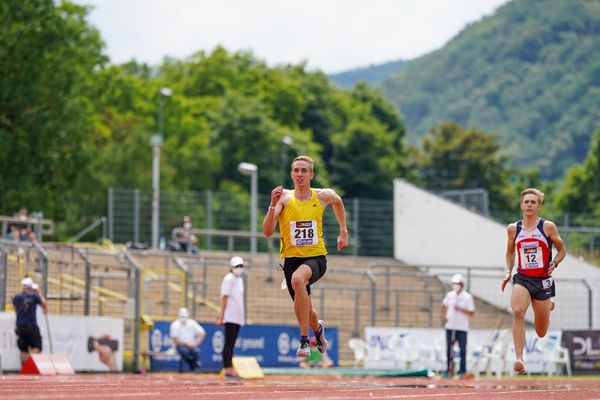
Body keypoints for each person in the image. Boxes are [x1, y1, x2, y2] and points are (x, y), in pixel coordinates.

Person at [263, 155, 349, 358]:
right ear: (291, 174)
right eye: (296, 170)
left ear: (311, 174)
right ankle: (318, 330)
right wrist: (272, 205)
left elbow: (338, 201)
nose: (300, 174)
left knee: (297, 280)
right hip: (291, 260)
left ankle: (304, 341)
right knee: (308, 312)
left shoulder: (322, 196)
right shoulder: (284, 198)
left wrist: (343, 231)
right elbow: (267, 231)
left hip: (316, 258)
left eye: (304, 171)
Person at [502, 188, 566, 374]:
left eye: (533, 202)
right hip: (522, 278)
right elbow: (510, 252)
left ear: (538, 206)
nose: (529, 205)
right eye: (526, 202)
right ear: (521, 205)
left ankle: (548, 304)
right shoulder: (514, 229)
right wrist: (508, 271)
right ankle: (519, 358)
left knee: (541, 331)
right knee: (517, 311)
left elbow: (562, 251)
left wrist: (554, 262)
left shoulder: (548, 227)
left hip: (543, 281)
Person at [441, 273, 475, 378]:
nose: (455, 285)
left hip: (462, 328)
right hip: (450, 326)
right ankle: (448, 369)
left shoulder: (467, 297)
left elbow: (472, 312)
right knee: (449, 349)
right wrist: (444, 317)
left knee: (462, 349)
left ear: (462, 284)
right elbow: (443, 305)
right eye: (454, 283)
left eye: (457, 283)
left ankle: (462, 371)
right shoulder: (450, 295)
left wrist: (460, 309)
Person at [217, 256, 246, 378]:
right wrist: (222, 315)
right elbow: (224, 297)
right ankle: (227, 368)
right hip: (229, 315)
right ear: (231, 267)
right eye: (236, 266)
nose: (239, 268)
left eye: (241, 266)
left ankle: (230, 367)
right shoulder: (228, 279)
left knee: (232, 343)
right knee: (228, 343)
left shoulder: (239, 280)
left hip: (238, 316)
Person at [12, 277, 47, 364]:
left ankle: (23, 368)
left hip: (20, 325)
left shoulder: (16, 297)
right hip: (31, 325)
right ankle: (29, 364)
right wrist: (39, 293)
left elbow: (15, 309)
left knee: (23, 349)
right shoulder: (34, 296)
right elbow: (44, 304)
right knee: (37, 347)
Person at [169, 307, 205, 372]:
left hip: (192, 345)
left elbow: (202, 333)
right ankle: (193, 364)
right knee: (184, 351)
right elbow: (175, 339)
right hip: (180, 346)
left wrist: (196, 343)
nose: (183, 318)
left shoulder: (192, 323)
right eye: (182, 316)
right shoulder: (175, 324)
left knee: (197, 351)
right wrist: (187, 344)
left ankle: (194, 365)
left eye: (184, 316)